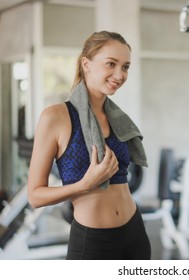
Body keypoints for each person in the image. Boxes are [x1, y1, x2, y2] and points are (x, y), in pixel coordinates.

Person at [28, 31, 151, 260]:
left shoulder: (118, 119)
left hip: (134, 233)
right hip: (93, 242)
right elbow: (35, 196)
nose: (119, 74)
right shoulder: (55, 117)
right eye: (111, 64)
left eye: (125, 67)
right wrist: (85, 184)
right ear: (87, 64)